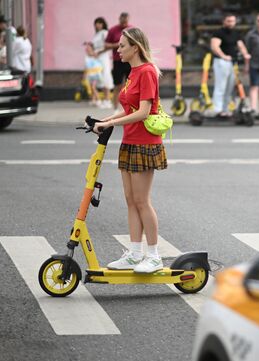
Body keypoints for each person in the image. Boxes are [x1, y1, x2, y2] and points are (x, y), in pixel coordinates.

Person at [93, 27, 167, 274]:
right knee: (130, 201)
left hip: (145, 144)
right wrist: (101, 120)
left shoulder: (146, 72)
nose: (118, 49)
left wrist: (110, 124)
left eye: (123, 46)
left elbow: (144, 112)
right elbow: (127, 109)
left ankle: (154, 256)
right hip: (130, 142)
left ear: (135, 47)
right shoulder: (132, 73)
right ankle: (135, 254)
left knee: (142, 201)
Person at [210, 14, 251, 117]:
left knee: (229, 87)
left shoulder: (236, 33)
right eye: (228, 21)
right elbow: (214, 46)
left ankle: (225, 109)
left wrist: (246, 55)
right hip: (221, 62)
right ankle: (217, 110)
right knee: (221, 86)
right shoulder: (218, 33)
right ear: (224, 21)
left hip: (232, 63)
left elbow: (241, 45)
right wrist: (224, 56)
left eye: (233, 21)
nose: (231, 23)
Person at [105, 12, 132, 111]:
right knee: (118, 86)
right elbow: (106, 45)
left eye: (126, 22)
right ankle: (115, 109)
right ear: (119, 19)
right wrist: (118, 45)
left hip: (129, 61)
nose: (124, 24)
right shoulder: (113, 30)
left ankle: (130, 108)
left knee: (130, 85)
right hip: (118, 61)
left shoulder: (131, 29)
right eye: (122, 22)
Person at [91, 17, 114, 109]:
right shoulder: (96, 34)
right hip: (97, 58)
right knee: (100, 78)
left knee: (105, 76)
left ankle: (108, 100)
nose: (98, 25)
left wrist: (99, 52)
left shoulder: (105, 33)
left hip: (103, 57)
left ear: (103, 24)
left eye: (100, 23)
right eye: (96, 23)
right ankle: (104, 99)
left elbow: (108, 46)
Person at [84, 42, 103, 106]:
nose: (87, 48)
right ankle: (93, 100)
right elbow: (86, 67)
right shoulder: (86, 56)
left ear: (92, 48)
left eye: (89, 47)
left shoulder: (94, 54)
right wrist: (85, 74)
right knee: (92, 88)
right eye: (87, 47)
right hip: (90, 74)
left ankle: (98, 100)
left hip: (96, 74)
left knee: (93, 87)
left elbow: (97, 59)